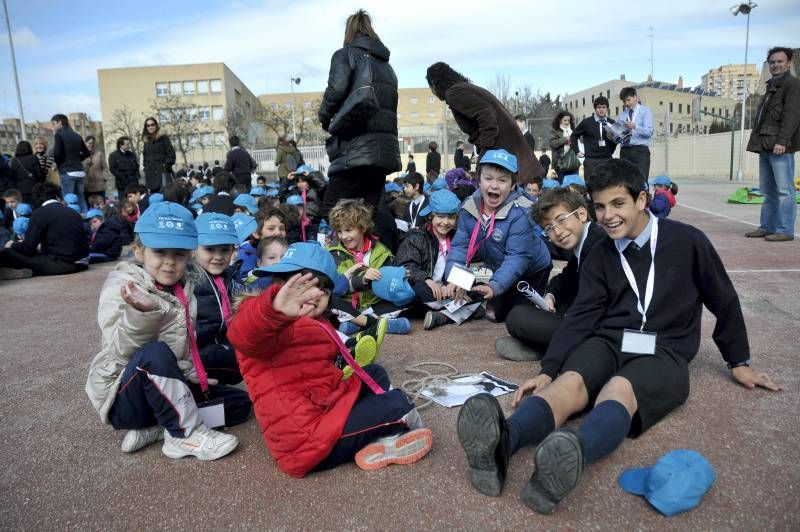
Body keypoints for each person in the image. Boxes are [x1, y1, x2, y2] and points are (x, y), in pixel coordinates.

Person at [455, 158, 781, 515]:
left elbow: (724, 298)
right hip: (611, 339)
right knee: (568, 383)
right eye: (599, 206)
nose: (607, 215)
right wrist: (549, 369)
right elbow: (581, 317)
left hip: (664, 350)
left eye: (617, 203)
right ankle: (503, 442)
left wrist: (739, 361)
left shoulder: (687, 241)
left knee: (618, 390)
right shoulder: (600, 254)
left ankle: (571, 454)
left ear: (641, 200)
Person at [227, 242, 432, 477]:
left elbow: (315, 372)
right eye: (301, 284)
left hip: (322, 408)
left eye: (322, 288)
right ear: (278, 285)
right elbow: (243, 335)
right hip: (304, 445)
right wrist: (274, 309)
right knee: (398, 405)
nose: (314, 294)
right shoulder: (267, 321)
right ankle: (387, 435)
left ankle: (378, 438)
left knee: (373, 373)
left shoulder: (317, 321)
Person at [85, 201, 248, 460]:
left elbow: (184, 344)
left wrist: (195, 375)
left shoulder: (185, 286)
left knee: (239, 405)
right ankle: (184, 435)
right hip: (126, 398)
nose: (170, 262)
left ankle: (161, 428)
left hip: (167, 389)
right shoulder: (123, 286)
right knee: (154, 353)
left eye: (179, 253)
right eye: (160, 252)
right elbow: (123, 351)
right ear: (139, 251)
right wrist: (143, 313)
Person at [497, 188, 607, 360]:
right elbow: (564, 278)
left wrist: (563, 314)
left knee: (517, 317)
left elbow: (595, 304)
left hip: (601, 330)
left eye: (561, 220)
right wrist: (550, 295)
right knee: (535, 310)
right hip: (587, 320)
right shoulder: (585, 242)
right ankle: (547, 344)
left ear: (582, 214)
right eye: (549, 228)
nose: (558, 232)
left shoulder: (598, 245)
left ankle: (546, 348)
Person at [443, 149, 552, 323]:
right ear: (478, 180)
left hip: (533, 268)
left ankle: (547, 294)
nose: (494, 185)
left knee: (519, 317)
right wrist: (456, 279)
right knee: (496, 315)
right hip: (499, 265)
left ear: (513, 185)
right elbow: (460, 247)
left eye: (502, 180)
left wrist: (494, 286)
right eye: (488, 178)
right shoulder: (469, 208)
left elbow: (517, 257)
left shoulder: (520, 213)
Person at [318, 9, 401, 219]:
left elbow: (335, 90)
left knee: (330, 215)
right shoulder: (387, 67)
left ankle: (332, 252)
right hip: (382, 155)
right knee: (367, 218)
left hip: (353, 151)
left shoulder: (345, 55)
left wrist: (325, 117)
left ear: (348, 32)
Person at [426, 62, 544, 183]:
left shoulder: (454, 93)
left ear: (435, 83)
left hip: (501, 150)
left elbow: (486, 114)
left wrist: (486, 151)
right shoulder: (463, 88)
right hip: (508, 149)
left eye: (430, 86)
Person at [327, 199, 410, 334]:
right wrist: (363, 280)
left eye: (348, 230)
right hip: (345, 306)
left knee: (405, 298)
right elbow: (336, 287)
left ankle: (356, 324)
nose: (344, 236)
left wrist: (398, 277)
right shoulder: (332, 252)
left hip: (372, 306)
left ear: (363, 227)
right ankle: (381, 325)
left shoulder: (381, 251)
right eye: (339, 231)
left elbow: (388, 285)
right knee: (329, 299)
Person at [745, 46, 799, 242]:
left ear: (788, 63)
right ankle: (767, 226)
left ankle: (785, 230)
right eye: (773, 62)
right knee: (768, 190)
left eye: (780, 61)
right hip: (765, 144)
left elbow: (792, 115)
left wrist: (783, 141)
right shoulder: (771, 86)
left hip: (779, 145)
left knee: (785, 190)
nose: (776, 65)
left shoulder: (793, 85)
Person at [192, 213, 247, 386]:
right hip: (197, 355)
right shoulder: (187, 279)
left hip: (223, 348)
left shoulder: (232, 276)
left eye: (224, 249)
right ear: (193, 248)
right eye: (209, 249)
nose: (218, 256)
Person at [0, 182, 89, 279]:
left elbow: (28, 248)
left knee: (7, 253)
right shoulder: (72, 212)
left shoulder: (39, 214)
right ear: (57, 197)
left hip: (64, 264)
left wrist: (12, 244)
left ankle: (10, 272)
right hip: (83, 262)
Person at [52, 114, 91, 213]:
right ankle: (87, 222)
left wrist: (59, 164)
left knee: (69, 200)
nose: (53, 126)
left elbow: (57, 153)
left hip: (67, 171)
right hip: (79, 171)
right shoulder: (77, 135)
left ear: (60, 122)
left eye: (54, 123)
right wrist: (77, 159)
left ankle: (72, 222)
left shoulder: (59, 135)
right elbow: (86, 152)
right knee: (81, 199)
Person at [571, 96, 617, 179]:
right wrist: (577, 151)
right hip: (591, 161)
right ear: (595, 109)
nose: (601, 109)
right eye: (599, 107)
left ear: (607, 109)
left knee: (607, 187)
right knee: (591, 187)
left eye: (604, 107)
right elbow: (574, 136)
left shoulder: (612, 123)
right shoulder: (587, 122)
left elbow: (616, 140)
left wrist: (611, 151)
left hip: (607, 160)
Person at [617, 87, 654, 182]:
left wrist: (635, 127)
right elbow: (619, 135)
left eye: (628, 100)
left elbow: (649, 132)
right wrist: (614, 135)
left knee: (641, 182)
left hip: (640, 151)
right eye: (624, 101)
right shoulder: (622, 115)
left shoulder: (645, 111)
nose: (626, 104)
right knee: (626, 182)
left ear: (635, 97)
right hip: (625, 151)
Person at [141, 117, 176, 193]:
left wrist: (165, 165)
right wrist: (146, 167)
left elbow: (171, 154)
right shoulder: (146, 141)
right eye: (148, 125)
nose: (150, 127)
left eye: (152, 125)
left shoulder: (163, 138)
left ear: (156, 125)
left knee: (166, 195)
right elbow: (145, 156)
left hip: (162, 172)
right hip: (150, 175)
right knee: (154, 197)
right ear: (146, 127)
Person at [108, 136, 140, 201]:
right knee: (124, 202)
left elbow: (136, 166)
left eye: (129, 144)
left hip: (133, 183)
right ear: (121, 145)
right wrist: (122, 177)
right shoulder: (113, 155)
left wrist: (136, 176)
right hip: (122, 184)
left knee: (135, 201)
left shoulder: (132, 154)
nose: (129, 146)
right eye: (127, 144)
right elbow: (112, 169)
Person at [548, 111, 576, 182]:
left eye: (568, 120)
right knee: (563, 185)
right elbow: (553, 143)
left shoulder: (573, 130)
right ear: (560, 120)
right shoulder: (554, 130)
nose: (567, 122)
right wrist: (566, 139)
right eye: (565, 120)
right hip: (560, 163)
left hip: (573, 162)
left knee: (574, 184)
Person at [83, 136, 109, 202]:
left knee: (102, 203)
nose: (91, 145)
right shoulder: (82, 154)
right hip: (87, 186)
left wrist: (104, 178)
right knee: (89, 205)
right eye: (89, 143)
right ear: (85, 143)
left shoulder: (99, 154)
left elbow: (105, 167)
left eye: (93, 143)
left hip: (99, 185)